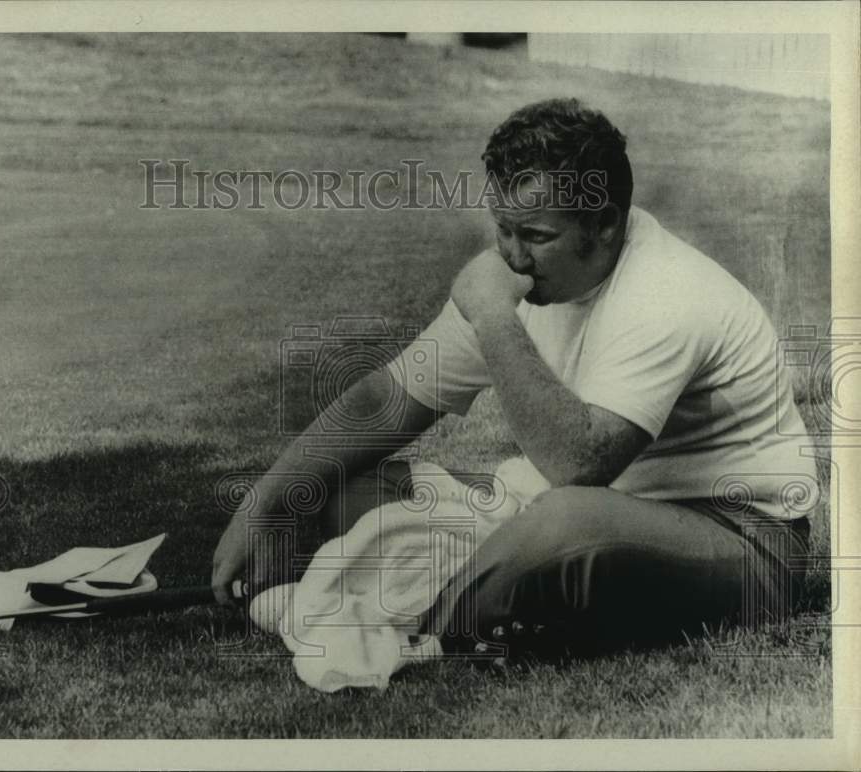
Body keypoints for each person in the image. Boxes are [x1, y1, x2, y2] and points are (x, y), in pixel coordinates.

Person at [211, 97, 816, 658]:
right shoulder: (521, 266)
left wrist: (496, 316)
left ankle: (410, 629)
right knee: (335, 487)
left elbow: (579, 462)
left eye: (535, 236)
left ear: (603, 224)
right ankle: (437, 593)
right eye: (502, 228)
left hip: (736, 537)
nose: (512, 257)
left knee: (562, 527)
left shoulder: (665, 291)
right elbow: (391, 397)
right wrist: (268, 501)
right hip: (574, 504)